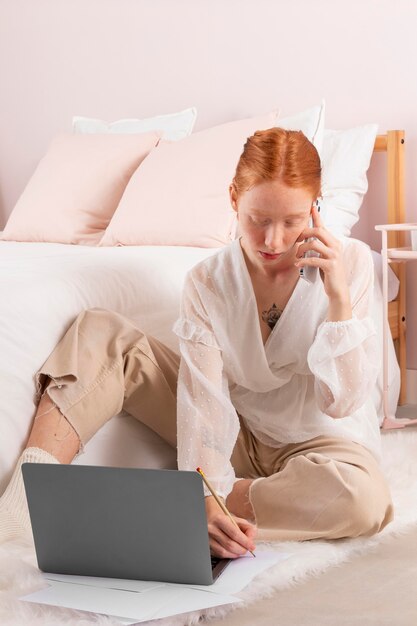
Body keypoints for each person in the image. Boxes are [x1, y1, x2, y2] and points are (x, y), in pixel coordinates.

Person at [0, 128, 394, 557]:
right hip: (237, 435)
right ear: (233, 200)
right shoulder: (208, 281)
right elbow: (203, 406)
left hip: (320, 444)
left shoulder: (350, 264)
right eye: (258, 219)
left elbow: (342, 402)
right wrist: (205, 489)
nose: (273, 241)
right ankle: (23, 503)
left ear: (316, 209)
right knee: (101, 333)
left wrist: (337, 298)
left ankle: (188, 505)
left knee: (364, 499)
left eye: (292, 221)